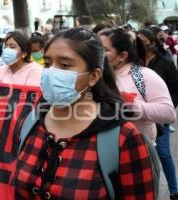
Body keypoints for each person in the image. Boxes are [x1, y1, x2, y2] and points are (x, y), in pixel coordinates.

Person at [14, 28, 156, 199]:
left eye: (64, 65)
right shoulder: (31, 122)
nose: (51, 73)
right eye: (47, 64)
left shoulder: (123, 137)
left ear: (93, 76)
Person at [100, 28, 176, 141]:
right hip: (102, 146)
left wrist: (132, 105)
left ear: (122, 56)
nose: (96, 53)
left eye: (104, 49)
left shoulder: (143, 75)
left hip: (137, 149)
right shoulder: (95, 75)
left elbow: (168, 113)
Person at [137, 29, 178, 200]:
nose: (139, 44)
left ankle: (174, 190)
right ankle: (150, 190)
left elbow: (175, 89)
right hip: (139, 116)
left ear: (152, 43)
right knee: (143, 156)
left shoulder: (165, 61)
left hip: (159, 115)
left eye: (142, 41)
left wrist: (165, 109)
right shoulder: (136, 63)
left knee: (163, 152)